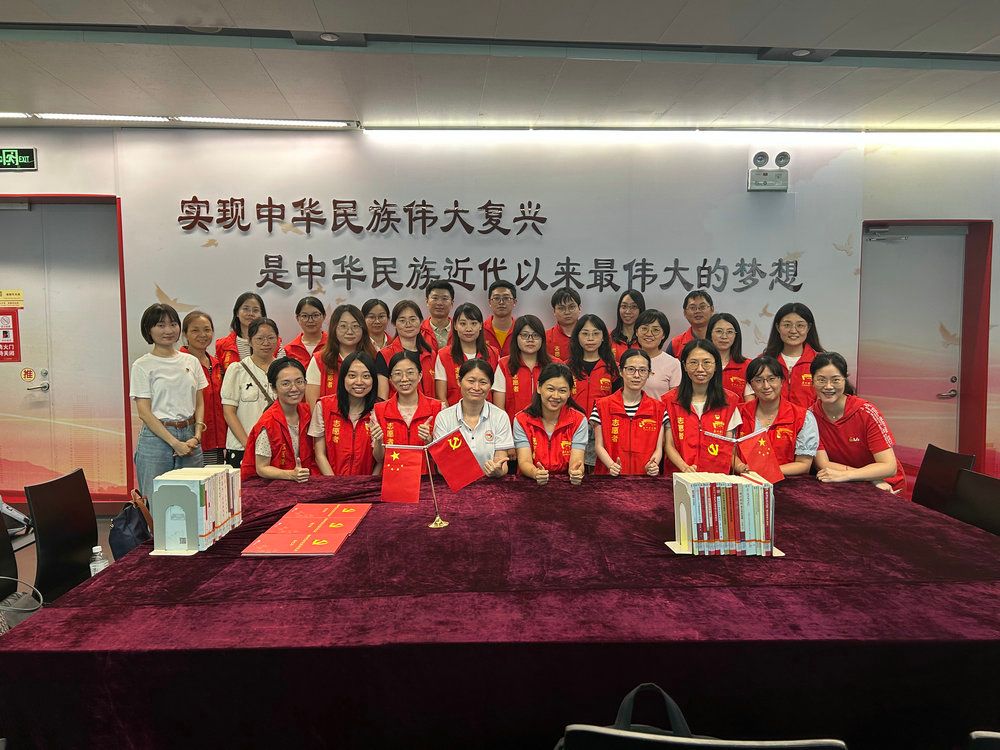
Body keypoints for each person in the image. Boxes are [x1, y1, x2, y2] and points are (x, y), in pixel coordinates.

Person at [130, 303, 206, 498]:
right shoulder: (142, 365)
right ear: (149, 330)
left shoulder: (191, 361)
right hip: (156, 438)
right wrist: (175, 443)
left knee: (193, 500)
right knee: (156, 500)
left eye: (173, 324)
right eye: (161, 325)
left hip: (190, 437)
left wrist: (197, 435)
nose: (168, 330)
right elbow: (144, 412)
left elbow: (199, 402)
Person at [809, 352, 906, 494]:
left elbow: (889, 467)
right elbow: (823, 464)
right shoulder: (810, 416)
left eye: (836, 380)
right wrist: (869, 479)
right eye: (821, 380)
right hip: (849, 483)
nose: (828, 386)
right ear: (812, 381)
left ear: (845, 380)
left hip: (886, 486)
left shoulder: (867, 412)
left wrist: (853, 476)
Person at [662, 339, 741, 474]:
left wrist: (742, 467)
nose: (700, 369)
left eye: (706, 362)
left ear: (716, 366)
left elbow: (729, 448)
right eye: (693, 362)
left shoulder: (729, 402)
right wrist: (685, 468)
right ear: (684, 366)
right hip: (678, 477)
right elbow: (668, 444)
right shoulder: (669, 401)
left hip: (715, 478)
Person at [735, 355, 818, 477]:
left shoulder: (803, 417)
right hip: (745, 481)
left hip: (787, 482)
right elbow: (730, 452)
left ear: (782, 381)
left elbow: (804, 464)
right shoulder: (738, 413)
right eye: (758, 380)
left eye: (772, 379)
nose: (766, 386)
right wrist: (740, 467)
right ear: (751, 385)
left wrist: (765, 470)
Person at [432, 359, 514, 478]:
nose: (476, 387)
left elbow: (501, 462)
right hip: (455, 484)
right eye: (471, 381)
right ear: (459, 381)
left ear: (491, 385)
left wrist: (497, 471)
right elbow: (442, 466)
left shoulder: (500, 416)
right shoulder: (444, 417)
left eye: (483, 382)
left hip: (490, 484)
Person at [241, 357, 318, 482]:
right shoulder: (268, 423)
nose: (294, 388)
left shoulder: (310, 413)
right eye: (286, 384)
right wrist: (291, 475)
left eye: (299, 382)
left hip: (305, 482)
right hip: (273, 485)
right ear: (273, 388)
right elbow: (261, 467)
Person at [592, 350, 666, 476]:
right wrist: (611, 465)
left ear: (649, 374)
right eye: (631, 369)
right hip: (609, 478)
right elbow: (599, 445)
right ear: (621, 371)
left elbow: (659, 448)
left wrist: (654, 464)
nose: (637, 375)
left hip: (644, 478)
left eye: (642, 370)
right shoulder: (601, 405)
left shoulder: (659, 408)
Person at [513, 363, 587, 486]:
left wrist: (576, 472)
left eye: (562, 391)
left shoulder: (579, 420)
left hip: (565, 485)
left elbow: (577, 461)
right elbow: (524, 461)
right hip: (530, 484)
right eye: (550, 389)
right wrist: (535, 473)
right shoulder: (521, 420)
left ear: (569, 392)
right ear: (539, 387)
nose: (556, 396)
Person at [220, 317, 279, 469]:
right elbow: (229, 412)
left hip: (277, 447)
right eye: (260, 338)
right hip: (241, 447)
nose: (266, 343)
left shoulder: (284, 370)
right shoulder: (237, 369)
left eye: (271, 338)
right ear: (250, 341)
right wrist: (249, 445)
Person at [370, 351, 442, 474]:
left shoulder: (437, 408)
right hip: (393, 478)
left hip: (425, 479)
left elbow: (442, 457)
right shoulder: (379, 410)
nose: (404, 379)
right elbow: (379, 458)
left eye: (410, 372)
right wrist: (378, 441)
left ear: (420, 375)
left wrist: (429, 441)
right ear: (390, 379)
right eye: (398, 374)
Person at [310, 351, 378, 476]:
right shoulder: (323, 406)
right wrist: (336, 483)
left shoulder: (380, 410)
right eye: (352, 376)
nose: (359, 382)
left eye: (366, 376)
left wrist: (369, 483)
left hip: (368, 484)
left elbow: (381, 459)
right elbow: (319, 455)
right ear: (343, 378)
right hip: (330, 482)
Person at [566, 315, 620, 472]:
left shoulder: (613, 368)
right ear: (577, 337)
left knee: (597, 475)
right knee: (574, 470)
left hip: (601, 430)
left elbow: (618, 401)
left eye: (596, 333)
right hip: (572, 428)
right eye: (585, 333)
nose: (590, 338)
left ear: (603, 337)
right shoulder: (567, 367)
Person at [305, 304, 376, 407]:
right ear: (334, 328)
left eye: (355, 326)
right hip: (328, 416)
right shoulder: (319, 360)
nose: (350, 332)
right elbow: (313, 404)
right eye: (343, 326)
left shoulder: (373, 357)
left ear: (363, 329)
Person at [180, 310, 226, 465]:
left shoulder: (217, 364)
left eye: (207, 330)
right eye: (195, 330)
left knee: (215, 478)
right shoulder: (179, 363)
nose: (202, 335)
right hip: (190, 439)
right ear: (185, 334)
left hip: (217, 442)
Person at [435, 303, 500, 406]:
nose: (468, 329)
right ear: (455, 326)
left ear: (480, 325)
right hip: (454, 413)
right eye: (463, 324)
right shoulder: (443, 355)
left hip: (488, 413)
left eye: (473, 323)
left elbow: (497, 392)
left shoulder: (493, 354)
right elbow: (441, 396)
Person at [763, 302, 824, 408]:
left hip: (810, 418)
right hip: (772, 418)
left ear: (808, 327)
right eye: (787, 325)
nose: (793, 331)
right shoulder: (763, 362)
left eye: (800, 325)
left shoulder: (822, 362)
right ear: (778, 327)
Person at [493, 314, 553, 420]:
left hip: (548, 427)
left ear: (542, 339)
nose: (530, 340)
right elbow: (499, 409)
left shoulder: (555, 365)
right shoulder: (504, 365)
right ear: (516, 337)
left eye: (535, 335)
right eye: (524, 335)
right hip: (513, 427)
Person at [376, 300, 437, 400]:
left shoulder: (430, 354)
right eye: (402, 320)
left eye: (413, 319)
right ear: (394, 324)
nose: (408, 324)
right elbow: (382, 398)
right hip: (396, 409)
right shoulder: (385, 355)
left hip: (430, 409)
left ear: (421, 321)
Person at [215, 292, 281, 371]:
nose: (250, 314)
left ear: (262, 314)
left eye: (255, 310)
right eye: (246, 309)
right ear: (237, 313)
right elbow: (218, 375)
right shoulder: (222, 346)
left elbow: (282, 372)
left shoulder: (275, 343)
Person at [634, 308, 681, 400]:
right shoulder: (629, 359)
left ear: (663, 335)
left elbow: (674, 400)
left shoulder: (673, 364)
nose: (649, 334)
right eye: (644, 329)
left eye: (655, 330)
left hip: (661, 409)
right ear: (636, 332)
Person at [708, 312, 749, 401]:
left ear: (736, 336)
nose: (724, 336)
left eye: (730, 332)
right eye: (719, 331)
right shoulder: (700, 365)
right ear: (710, 333)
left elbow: (750, 403)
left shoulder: (748, 366)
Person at [665, 291, 715, 358]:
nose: (697, 311)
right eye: (692, 308)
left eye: (702, 307)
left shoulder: (722, 340)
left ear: (712, 309)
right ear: (685, 313)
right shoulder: (675, 344)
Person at [284, 296, 327, 369]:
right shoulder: (289, 350)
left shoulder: (334, 345)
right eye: (305, 316)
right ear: (297, 318)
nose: (310, 320)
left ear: (324, 316)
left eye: (315, 315)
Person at [545, 288, 581, 361]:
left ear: (579, 308)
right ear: (554, 311)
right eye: (561, 308)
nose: (567, 312)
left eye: (571, 307)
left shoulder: (591, 335)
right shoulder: (545, 337)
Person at [483, 280, 517, 357]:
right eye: (496, 298)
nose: (501, 302)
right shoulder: (479, 330)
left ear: (514, 302)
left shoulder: (521, 330)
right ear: (489, 302)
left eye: (506, 298)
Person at [611, 289, 645, 361]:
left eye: (634, 307)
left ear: (641, 309)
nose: (628, 311)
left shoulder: (646, 339)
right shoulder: (609, 338)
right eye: (624, 306)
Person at [421, 280, 454, 349]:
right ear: (427, 301)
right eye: (435, 298)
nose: (439, 303)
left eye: (444, 298)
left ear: (452, 303)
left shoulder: (459, 330)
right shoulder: (419, 330)